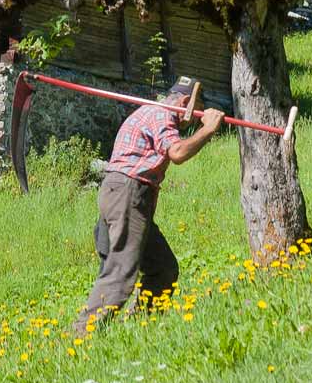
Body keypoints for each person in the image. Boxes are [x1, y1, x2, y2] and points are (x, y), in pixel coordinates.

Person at [72, 76, 224, 336]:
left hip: (124, 194)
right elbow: (177, 153)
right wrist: (208, 129)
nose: (195, 117)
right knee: (121, 270)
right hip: (129, 194)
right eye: (197, 108)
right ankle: (81, 335)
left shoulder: (149, 112)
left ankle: (142, 326)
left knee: (162, 267)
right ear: (186, 103)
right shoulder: (161, 115)